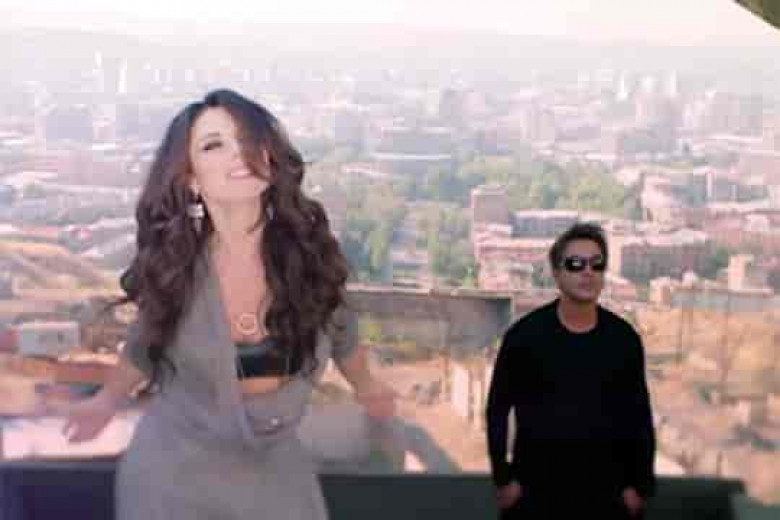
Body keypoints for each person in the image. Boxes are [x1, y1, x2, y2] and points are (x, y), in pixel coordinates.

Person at [48, 88, 396, 520]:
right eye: (214, 145)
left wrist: (367, 387)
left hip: (273, 477)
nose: (238, 153)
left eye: (248, 139)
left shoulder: (308, 258)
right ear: (190, 177)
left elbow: (342, 332)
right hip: (172, 479)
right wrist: (106, 401)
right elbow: (144, 342)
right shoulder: (176, 267)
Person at [485, 222, 656, 519]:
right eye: (575, 264)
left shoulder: (624, 340)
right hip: (536, 494)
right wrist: (503, 478)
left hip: (608, 496)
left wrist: (639, 486)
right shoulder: (524, 337)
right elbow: (497, 410)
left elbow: (639, 416)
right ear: (556, 273)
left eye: (596, 264)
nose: (587, 272)